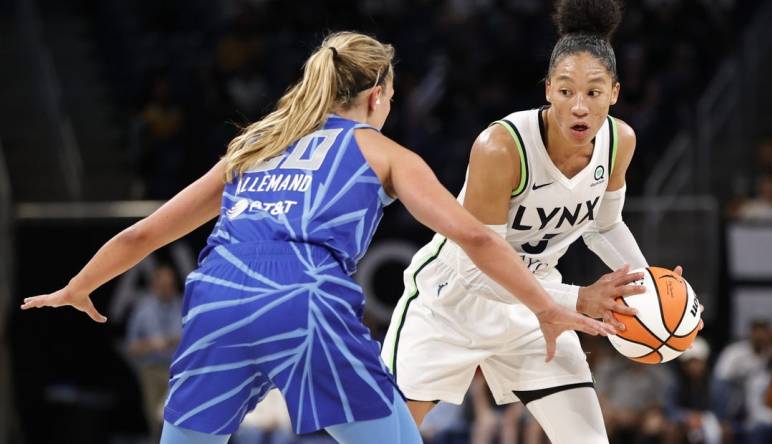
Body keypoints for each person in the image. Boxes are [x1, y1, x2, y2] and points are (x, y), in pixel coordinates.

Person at [21, 31, 614, 444]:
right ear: (378, 94)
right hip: (301, 298)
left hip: (216, 298)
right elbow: (476, 239)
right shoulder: (380, 149)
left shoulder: (255, 146)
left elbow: (147, 232)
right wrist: (545, 305)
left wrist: (78, 286)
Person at [381, 1, 696, 443]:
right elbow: (478, 268)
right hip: (451, 301)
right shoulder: (501, 146)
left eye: (594, 92)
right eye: (567, 91)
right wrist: (576, 299)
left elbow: (603, 226)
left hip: (536, 307)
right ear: (548, 90)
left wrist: (649, 289)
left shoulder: (619, 141)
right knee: (384, 438)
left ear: (616, 93)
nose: (580, 107)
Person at [126, 264, 184, 439]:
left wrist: (172, 341)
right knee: (154, 419)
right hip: (151, 370)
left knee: (177, 418)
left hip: (178, 372)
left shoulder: (184, 306)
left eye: (170, 285)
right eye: (163, 285)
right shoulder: (143, 310)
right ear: (154, 286)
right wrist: (151, 344)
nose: (167, 289)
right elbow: (131, 347)